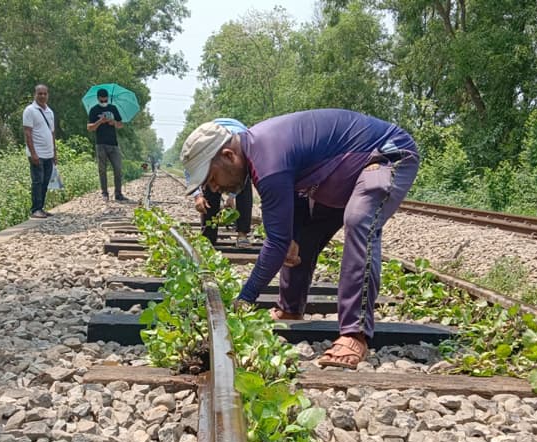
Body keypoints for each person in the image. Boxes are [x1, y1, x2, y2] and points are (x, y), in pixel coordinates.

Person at [180, 109, 420, 369]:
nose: (213, 188)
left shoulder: (267, 160)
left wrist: (244, 300)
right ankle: (291, 308)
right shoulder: (259, 154)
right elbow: (287, 223)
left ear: (229, 156)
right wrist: (291, 235)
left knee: (359, 220)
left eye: (212, 178)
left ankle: (354, 333)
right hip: (339, 174)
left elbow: (275, 244)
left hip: (385, 153)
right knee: (301, 236)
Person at [187, 118, 254, 248]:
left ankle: (242, 234)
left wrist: (232, 196)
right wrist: (197, 196)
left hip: (236, 141)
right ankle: (208, 237)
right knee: (210, 187)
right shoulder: (196, 152)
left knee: (244, 186)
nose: (215, 185)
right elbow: (191, 175)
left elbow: (242, 173)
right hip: (215, 136)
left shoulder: (242, 145)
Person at [87, 88, 128, 201]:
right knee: (102, 169)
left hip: (113, 143)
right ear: (98, 99)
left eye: (106, 100)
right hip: (101, 143)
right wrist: (100, 122)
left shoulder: (113, 108)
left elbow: (121, 124)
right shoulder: (94, 110)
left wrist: (113, 122)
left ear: (108, 99)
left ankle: (118, 193)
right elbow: (89, 128)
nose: (104, 102)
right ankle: (104, 193)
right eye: (102, 101)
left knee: (118, 168)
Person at [23, 84, 57, 219]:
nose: (42, 96)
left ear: (47, 95)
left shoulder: (50, 112)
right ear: (35, 95)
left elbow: (52, 133)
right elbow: (27, 133)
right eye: (39, 94)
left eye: (44, 93)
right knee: (37, 181)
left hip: (49, 153)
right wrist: (33, 153)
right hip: (37, 153)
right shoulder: (30, 110)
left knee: (45, 181)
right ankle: (35, 209)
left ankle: (41, 208)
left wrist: (55, 152)